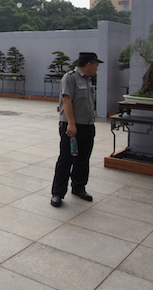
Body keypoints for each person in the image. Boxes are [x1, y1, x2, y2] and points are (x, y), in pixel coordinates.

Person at [50, 52, 103, 207]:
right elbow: (67, 101)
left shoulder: (88, 79)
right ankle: (58, 193)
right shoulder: (70, 78)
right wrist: (71, 124)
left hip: (87, 125)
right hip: (72, 126)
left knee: (83, 158)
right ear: (89, 64)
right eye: (96, 65)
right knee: (66, 159)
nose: (96, 69)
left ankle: (79, 187)